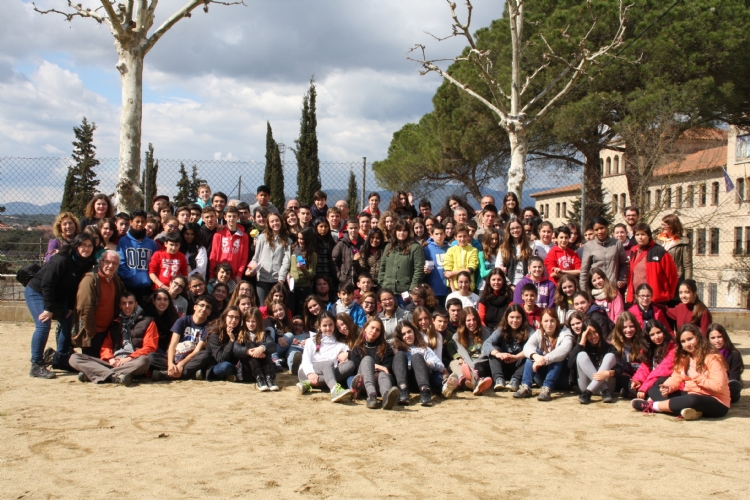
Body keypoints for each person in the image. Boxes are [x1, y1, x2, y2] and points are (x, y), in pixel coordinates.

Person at [26, 233, 97, 378]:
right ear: (76, 246)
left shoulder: (86, 263)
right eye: (83, 245)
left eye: (90, 246)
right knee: (43, 324)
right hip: (38, 291)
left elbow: (74, 286)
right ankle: (36, 364)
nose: (86, 248)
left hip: (59, 295)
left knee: (68, 321)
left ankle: (61, 358)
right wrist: (48, 308)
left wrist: (70, 306)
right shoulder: (62, 259)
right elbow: (47, 284)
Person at [632, 324, 730, 420]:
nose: (687, 344)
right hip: (689, 394)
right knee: (654, 389)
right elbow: (677, 377)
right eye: (683, 341)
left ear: (698, 337)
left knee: (693, 399)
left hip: (715, 401)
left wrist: (696, 376)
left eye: (690, 339)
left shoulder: (712, 358)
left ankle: (654, 406)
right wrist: (668, 386)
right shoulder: (684, 357)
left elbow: (718, 387)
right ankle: (689, 410)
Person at [514, 308, 574, 401]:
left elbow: (564, 350)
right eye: (546, 321)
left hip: (561, 379)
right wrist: (536, 357)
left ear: (557, 321)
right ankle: (526, 387)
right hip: (542, 378)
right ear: (541, 322)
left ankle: (547, 389)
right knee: (534, 353)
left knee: (558, 357)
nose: (549, 324)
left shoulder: (565, 333)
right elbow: (527, 347)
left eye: (552, 321)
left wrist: (545, 359)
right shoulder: (538, 333)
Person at [149, 294, 214, 381]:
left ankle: (167, 374)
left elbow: (197, 350)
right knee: (151, 357)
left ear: (210, 312)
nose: (204, 309)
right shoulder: (182, 321)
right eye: (201, 305)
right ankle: (190, 374)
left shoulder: (209, 327)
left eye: (208, 307)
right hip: (176, 356)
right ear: (195, 307)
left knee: (206, 355)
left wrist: (181, 364)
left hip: (192, 359)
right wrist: (170, 364)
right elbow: (173, 345)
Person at [296, 311, 354, 402]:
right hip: (307, 373)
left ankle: (308, 384)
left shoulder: (341, 342)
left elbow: (347, 356)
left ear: (334, 325)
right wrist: (310, 373)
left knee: (350, 364)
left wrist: (345, 359)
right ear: (319, 326)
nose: (328, 328)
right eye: (324, 325)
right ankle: (334, 389)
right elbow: (306, 361)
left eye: (330, 325)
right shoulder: (311, 341)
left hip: (329, 374)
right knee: (328, 364)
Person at [392, 320, 446, 406]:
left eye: (409, 332)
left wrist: (427, 363)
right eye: (403, 334)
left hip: (421, 379)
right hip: (404, 379)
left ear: (414, 331)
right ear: (400, 337)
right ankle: (403, 391)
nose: (407, 335)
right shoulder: (395, 349)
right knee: (400, 355)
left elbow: (440, 366)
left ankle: (425, 392)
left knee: (417, 356)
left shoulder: (424, 349)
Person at [348, 317, 399, 409]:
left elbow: (387, 367)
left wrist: (377, 369)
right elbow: (356, 368)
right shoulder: (357, 348)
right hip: (365, 383)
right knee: (367, 360)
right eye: (372, 327)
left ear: (380, 333)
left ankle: (386, 397)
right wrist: (375, 366)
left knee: (382, 374)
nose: (374, 331)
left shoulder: (386, 347)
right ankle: (372, 395)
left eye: (378, 330)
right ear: (366, 328)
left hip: (382, 382)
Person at [482, 304, 531, 392]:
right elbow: (486, 344)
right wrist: (498, 354)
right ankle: (499, 380)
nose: (515, 320)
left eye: (518, 317)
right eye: (512, 317)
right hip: (504, 364)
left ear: (523, 318)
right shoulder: (501, 329)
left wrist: (516, 357)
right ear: (507, 318)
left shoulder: (529, 330)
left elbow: (534, 347)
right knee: (494, 349)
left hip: (520, 366)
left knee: (530, 355)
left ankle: (515, 381)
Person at [626, 223, 678, 307]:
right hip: (637, 297)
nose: (640, 237)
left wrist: (668, 294)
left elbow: (672, 275)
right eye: (637, 235)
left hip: (655, 298)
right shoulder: (633, 251)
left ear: (649, 236)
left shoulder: (659, 251)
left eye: (643, 234)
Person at [569, 320, 619, 404]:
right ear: (584, 335)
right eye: (589, 334)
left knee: (610, 356)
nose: (593, 336)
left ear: (599, 331)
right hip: (587, 385)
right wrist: (581, 343)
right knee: (581, 355)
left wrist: (609, 373)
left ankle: (589, 391)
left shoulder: (609, 348)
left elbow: (620, 367)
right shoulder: (581, 347)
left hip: (607, 385)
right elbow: (570, 364)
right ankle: (603, 389)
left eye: (595, 332)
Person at [247, 212, 291, 304]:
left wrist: (281, 278)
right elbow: (256, 257)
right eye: (272, 221)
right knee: (262, 305)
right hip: (262, 278)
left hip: (277, 278)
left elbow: (286, 261)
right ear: (268, 224)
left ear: (281, 221)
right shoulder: (262, 238)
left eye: (277, 220)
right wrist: (250, 269)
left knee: (276, 305)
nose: (275, 223)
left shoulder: (287, 240)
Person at [448, 307, 494, 396]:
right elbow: (464, 355)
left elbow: (484, 353)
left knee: (480, 366)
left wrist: (473, 368)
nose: (472, 323)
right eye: (468, 320)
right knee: (454, 363)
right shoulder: (456, 337)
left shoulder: (485, 332)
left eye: (474, 319)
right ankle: (473, 382)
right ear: (463, 322)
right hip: (467, 364)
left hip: (481, 363)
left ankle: (472, 380)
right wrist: (469, 368)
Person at [117, 209, 157, 305]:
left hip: (146, 287)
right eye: (137, 221)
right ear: (131, 222)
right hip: (128, 287)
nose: (140, 224)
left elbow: (155, 264)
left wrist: (149, 279)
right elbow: (121, 263)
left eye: (142, 222)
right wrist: (132, 277)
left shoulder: (152, 243)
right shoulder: (123, 241)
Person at [579, 217, 629, 294]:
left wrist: (622, 279)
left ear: (606, 227)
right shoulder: (589, 246)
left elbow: (624, 264)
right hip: (596, 289)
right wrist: (584, 292)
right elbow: (584, 271)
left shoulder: (617, 243)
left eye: (602, 228)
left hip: (613, 287)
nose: (599, 231)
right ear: (593, 231)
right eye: (596, 229)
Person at [378, 220, 425, 300]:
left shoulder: (415, 248)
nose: (402, 233)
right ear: (395, 231)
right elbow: (382, 267)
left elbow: (419, 271)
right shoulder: (388, 246)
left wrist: (412, 290)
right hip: (388, 291)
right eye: (399, 230)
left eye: (404, 231)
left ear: (408, 232)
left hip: (405, 292)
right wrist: (382, 284)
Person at [630, 320, 676, 401]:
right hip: (651, 380)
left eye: (659, 332)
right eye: (652, 335)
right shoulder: (651, 348)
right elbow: (645, 367)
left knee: (657, 383)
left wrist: (644, 387)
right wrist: (638, 380)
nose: (656, 337)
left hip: (665, 380)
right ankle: (648, 397)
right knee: (632, 385)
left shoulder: (673, 347)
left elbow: (661, 371)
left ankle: (650, 398)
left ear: (664, 332)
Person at [208, 206, 248, 283]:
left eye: (234, 216)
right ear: (225, 217)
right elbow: (213, 255)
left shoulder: (244, 236)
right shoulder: (218, 235)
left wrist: (239, 274)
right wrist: (212, 275)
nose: (231, 219)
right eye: (229, 216)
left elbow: (244, 258)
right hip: (219, 274)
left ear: (238, 217)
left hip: (234, 276)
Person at [610, 311, 646, 398]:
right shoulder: (612, 343)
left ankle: (629, 393)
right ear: (619, 328)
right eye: (624, 327)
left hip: (638, 377)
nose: (628, 330)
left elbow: (645, 364)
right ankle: (641, 395)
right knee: (625, 380)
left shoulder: (642, 342)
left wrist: (630, 369)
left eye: (631, 326)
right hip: (619, 378)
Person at [707, 324, 743, 403]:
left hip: (727, 387)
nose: (717, 341)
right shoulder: (704, 354)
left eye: (719, 337)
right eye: (713, 338)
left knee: (735, 385)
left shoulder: (734, 354)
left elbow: (734, 376)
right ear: (708, 339)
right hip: (710, 386)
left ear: (725, 337)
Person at [657, 214, 692, 289]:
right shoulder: (658, 241)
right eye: (662, 225)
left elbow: (687, 265)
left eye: (665, 225)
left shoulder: (683, 241)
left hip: (676, 278)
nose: (662, 227)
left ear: (672, 225)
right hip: (660, 278)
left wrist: (688, 283)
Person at [496, 219, 532, 289]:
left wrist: (526, 281)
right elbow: (498, 267)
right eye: (512, 228)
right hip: (508, 285)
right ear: (509, 230)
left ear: (522, 228)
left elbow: (533, 265)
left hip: (526, 284)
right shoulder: (503, 248)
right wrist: (510, 285)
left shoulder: (530, 246)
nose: (515, 230)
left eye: (517, 227)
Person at [443, 223, 479, 292]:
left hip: (468, 287)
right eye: (460, 236)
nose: (462, 239)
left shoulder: (473, 250)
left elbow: (471, 269)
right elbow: (447, 268)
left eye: (465, 236)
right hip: (454, 286)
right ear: (455, 237)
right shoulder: (450, 250)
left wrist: (452, 273)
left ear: (468, 236)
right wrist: (452, 287)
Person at [290, 227, 318, 314]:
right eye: (298, 238)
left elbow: (311, 275)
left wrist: (304, 269)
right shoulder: (293, 249)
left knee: (301, 312)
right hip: (292, 286)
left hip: (304, 287)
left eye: (302, 239)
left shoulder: (312, 254)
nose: (300, 241)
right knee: (291, 310)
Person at [423, 223, 451, 305]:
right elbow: (422, 267)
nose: (439, 236)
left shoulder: (450, 249)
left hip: (448, 288)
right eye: (436, 234)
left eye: (441, 233)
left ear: (445, 234)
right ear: (431, 235)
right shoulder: (427, 249)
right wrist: (424, 270)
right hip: (433, 289)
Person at [332, 218, 361, 286]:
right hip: (344, 281)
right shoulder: (341, 243)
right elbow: (333, 261)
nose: (353, 230)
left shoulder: (363, 244)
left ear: (359, 228)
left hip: (359, 281)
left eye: (355, 228)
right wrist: (340, 276)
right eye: (351, 228)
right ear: (347, 228)